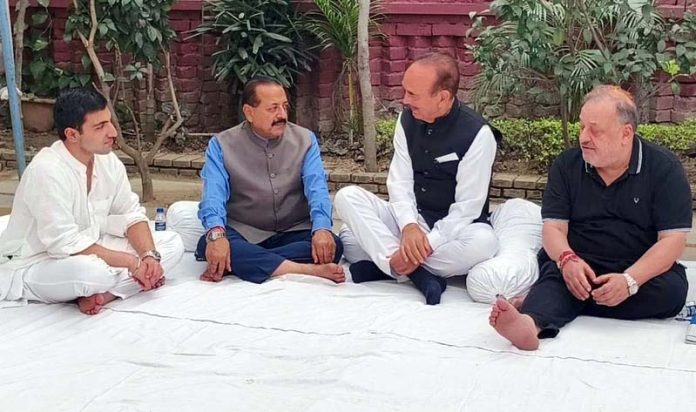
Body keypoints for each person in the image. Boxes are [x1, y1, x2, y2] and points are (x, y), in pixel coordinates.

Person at [490, 85, 692, 350]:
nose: (584, 137)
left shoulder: (664, 168)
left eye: (595, 130)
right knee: (557, 275)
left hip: (636, 265)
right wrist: (567, 260)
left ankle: (549, 304)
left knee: (672, 292)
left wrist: (629, 281)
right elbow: (553, 229)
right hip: (579, 262)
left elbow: (672, 241)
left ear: (625, 133)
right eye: (582, 127)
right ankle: (531, 323)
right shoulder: (567, 165)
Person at [334, 52, 501, 305]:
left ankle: (388, 266)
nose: (404, 100)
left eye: (413, 95)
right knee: (347, 199)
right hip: (411, 221)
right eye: (405, 91)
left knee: (484, 244)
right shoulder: (406, 119)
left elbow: (467, 208)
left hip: (454, 230)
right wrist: (409, 226)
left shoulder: (478, 134)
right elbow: (399, 181)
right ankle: (417, 274)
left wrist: (428, 242)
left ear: (443, 97)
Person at [0, 87, 184, 315]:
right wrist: (131, 263)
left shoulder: (108, 162)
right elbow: (63, 244)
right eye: (100, 127)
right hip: (36, 263)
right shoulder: (46, 171)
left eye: (109, 121)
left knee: (171, 244)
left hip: (91, 246)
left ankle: (104, 296)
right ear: (72, 135)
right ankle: (110, 284)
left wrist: (148, 257)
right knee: (93, 273)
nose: (113, 132)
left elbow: (130, 214)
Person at [196, 77, 344, 284]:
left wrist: (321, 229)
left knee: (333, 245)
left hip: (294, 230)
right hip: (245, 230)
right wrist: (217, 235)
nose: (282, 115)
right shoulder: (222, 145)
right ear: (249, 112)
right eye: (272, 108)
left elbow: (317, 188)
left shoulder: (305, 140)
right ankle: (305, 270)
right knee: (209, 243)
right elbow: (213, 195)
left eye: (284, 107)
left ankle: (247, 262)